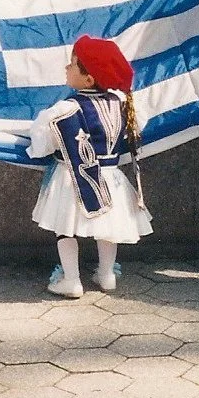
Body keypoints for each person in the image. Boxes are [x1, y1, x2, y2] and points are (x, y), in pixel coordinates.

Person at [27, 34, 152, 298]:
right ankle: (106, 275)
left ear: (88, 78)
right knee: (108, 227)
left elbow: (41, 143)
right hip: (111, 176)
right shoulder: (122, 106)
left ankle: (71, 280)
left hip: (71, 176)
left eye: (72, 64)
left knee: (65, 226)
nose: (66, 68)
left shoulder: (64, 109)